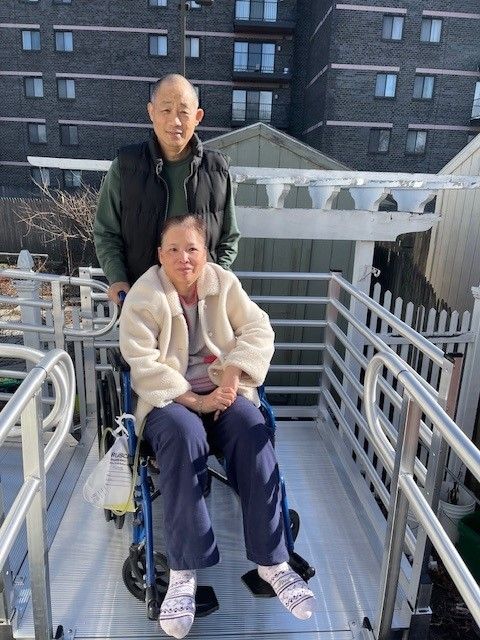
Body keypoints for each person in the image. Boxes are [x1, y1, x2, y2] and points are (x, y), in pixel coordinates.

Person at [119, 214, 315, 639]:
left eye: (192, 248)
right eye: (173, 249)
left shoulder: (223, 283)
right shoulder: (145, 295)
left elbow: (259, 329)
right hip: (172, 401)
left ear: (205, 252)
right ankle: (184, 574)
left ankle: (273, 562)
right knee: (184, 435)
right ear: (160, 255)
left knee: (254, 431)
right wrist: (196, 400)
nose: (183, 258)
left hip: (225, 394)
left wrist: (231, 375)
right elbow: (143, 364)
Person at [94, 74, 240, 303]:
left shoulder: (217, 170)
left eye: (183, 111)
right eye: (166, 110)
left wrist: (214, 280)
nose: (175, 121)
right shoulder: (126, 167)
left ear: (198, 116)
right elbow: (106, 232)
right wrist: (118, 278)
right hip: (142, 297)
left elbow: (229, 237)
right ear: (151, 112)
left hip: (200, 303)